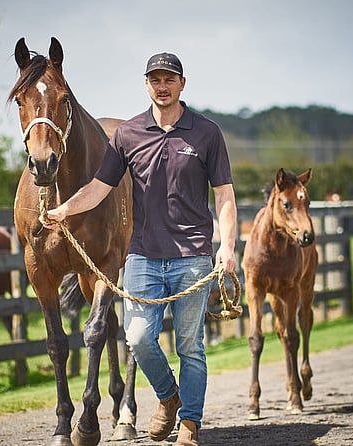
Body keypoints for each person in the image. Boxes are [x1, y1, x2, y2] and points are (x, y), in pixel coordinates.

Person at [42, 52, 237, 446]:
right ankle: (168, 395)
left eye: (169, 79)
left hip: (193, 256)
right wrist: (64, 209)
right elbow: (100, 187)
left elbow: (224, 196)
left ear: (182, 84)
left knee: (190, 346)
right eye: (155, 80)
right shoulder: (128, 134)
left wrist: (227, 246)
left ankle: (190, 423)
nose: (162, 87)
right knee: (138, 338)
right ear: (146, 85)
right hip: (143, 256)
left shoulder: (206, 132)